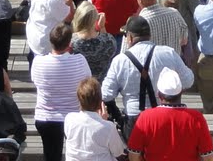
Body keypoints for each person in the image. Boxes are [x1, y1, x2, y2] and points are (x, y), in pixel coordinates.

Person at [105, 14, 194, 140]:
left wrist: (117, 113)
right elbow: (188, 80)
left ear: (130, 37)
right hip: (163, 115)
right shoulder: (168, 53)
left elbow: (106, 94)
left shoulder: (120, 60)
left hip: (134, 118)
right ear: (149, 35)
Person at [34, 20, 94, 161]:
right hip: (74, 117)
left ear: (51, 41)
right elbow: (87, 82)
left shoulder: (38, 62)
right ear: (69, 43)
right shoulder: (80, 60)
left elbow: (36, 82)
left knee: (50, 157)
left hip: (46, 117)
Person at [127, 67, 213, 161]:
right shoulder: (196, 118)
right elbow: (208, 157)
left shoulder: (145, 117)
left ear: (159, 94)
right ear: (181, 92)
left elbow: (134, 154)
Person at [67, 76, 128, 161]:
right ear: (100, 101)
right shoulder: (108, 127)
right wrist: (103, 121)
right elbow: (118, 152)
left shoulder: (69, 119)